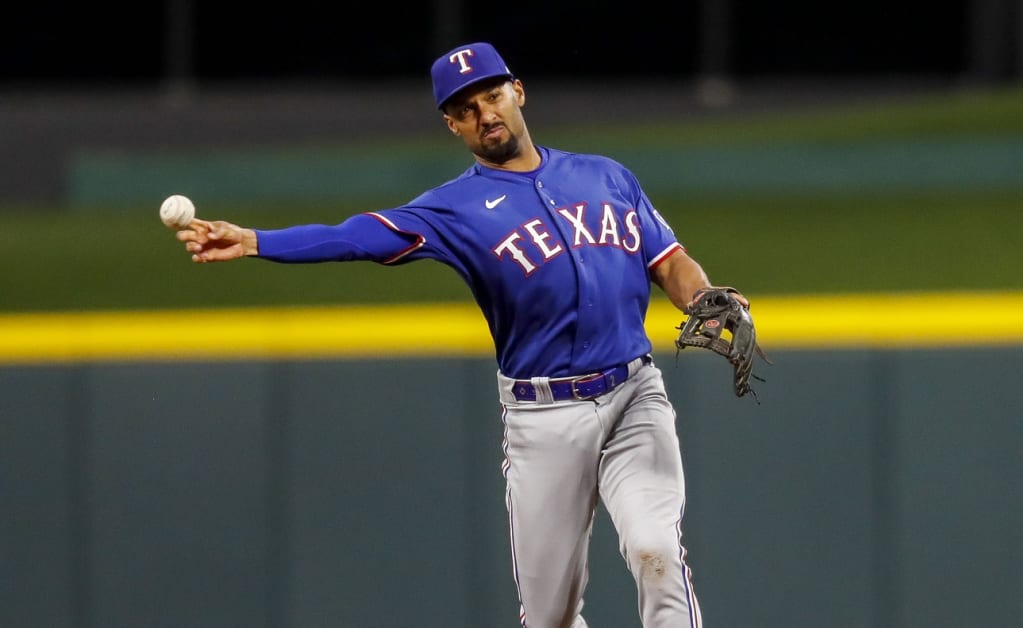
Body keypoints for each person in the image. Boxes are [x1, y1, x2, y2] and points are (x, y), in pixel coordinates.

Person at [176, 41, 748, 628]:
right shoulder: (453, 208)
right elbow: (357, 236)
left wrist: (702, 296)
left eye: (492, 95)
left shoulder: (606, 176)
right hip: (544, 419)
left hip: (635, 396)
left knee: (655, 552)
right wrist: (255, 241)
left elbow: (670, 261)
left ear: (517, 92)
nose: (485, 113)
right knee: (549, 617)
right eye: (467, 107)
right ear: (452, 124)